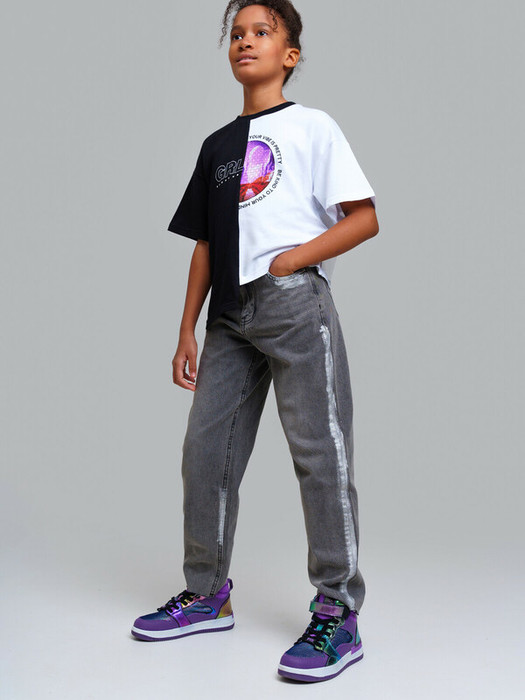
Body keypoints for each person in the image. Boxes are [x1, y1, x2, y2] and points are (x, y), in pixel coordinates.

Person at [131, 0, 379, 683]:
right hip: (228, 317)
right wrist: (187, 326)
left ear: (289, 54)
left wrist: (293, 261)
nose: (245, 41)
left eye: (261, 32)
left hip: (293, 305)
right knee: (205, 453)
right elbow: (206, 244)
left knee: (320, 455)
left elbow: (363, 218)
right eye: (236, 34)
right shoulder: (217, 146)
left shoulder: (312, 127)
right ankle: (207, 594)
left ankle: (338, 613)